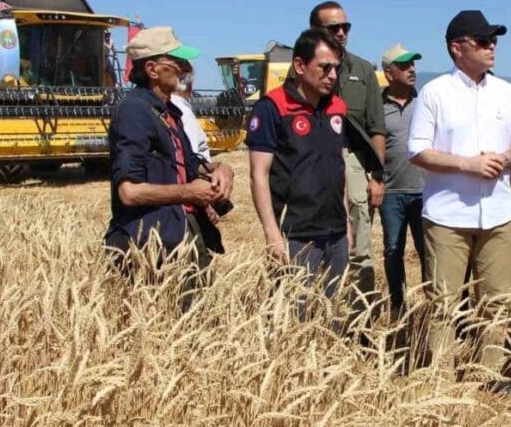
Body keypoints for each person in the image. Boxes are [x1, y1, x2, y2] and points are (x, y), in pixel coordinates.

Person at [407, 9, 511, 380]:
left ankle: (485, 375)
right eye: (483, 41)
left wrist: (507, 158)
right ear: (457, 48)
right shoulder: (434, 93)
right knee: (444, 302)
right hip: (448, 216)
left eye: (493, 40)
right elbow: (418, 150)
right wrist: (467, 165)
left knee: (496, 302)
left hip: (497, 214)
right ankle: (440, 377)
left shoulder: (506, 92)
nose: (492, 46)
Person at [104, 27, 233, 309]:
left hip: (180, 236)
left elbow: (190, 164)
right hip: (149, 243)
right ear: (151, 69)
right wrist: (189, 193)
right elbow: (128, 192)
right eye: (177, 62)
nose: (186, 68)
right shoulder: (134, 112)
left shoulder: (169, 112)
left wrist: (221, 169)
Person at [247, 28, 353, 296]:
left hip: (336, 231)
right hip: (296, 234)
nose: (332, 75)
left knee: (332, 314)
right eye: (325, 67)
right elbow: (258, 174)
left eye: (336, 68)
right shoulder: (272, 108)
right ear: (299, 65)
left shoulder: (337, 107)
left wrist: (347, 223)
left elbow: (338, 167)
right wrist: (272, 233)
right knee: (296, 315)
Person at [309, 1, 386, 310]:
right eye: (333, 28)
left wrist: (377, 177)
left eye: (345, 27)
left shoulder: (364, 70)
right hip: (312, 163)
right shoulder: (299, 71)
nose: (341, 33)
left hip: (351, 161)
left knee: (359, 247)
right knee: (313, 244)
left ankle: (359, 320)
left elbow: (376, 128)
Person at [379, 43, 427, 316]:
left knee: (428, 251)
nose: (412, 69)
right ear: (388, 73)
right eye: (404, 65)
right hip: (391, 192)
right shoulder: (377, 106)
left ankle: (433, 305)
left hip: (425, 191)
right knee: (393, 249)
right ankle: (398, 305)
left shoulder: (425, 103)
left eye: (413, 64)